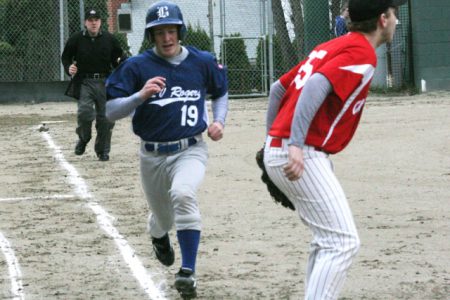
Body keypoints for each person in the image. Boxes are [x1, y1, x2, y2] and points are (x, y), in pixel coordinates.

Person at [263, 0, 407, 299]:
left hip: (286, 149)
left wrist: (271, 143)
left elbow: (278, 88)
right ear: (382, 19)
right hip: (302, 152)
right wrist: (296, 145)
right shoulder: (361, 52)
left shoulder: (333, 45)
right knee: (343, 242)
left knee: (326, 239)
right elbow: (316, 85)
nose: (397, 21)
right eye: (394, 14)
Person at [105, 1, 228, 298]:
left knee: (184, 194)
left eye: (171, 30)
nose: (167, 38)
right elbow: (110, 111)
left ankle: (188, 272)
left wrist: (219, 120)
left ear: (180, 31)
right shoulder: (137, 67)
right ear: (152, 36)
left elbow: (221, 91)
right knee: (164, 218)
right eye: (159, 32)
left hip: (190, 149)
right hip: (152, 155)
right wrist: (140, 95)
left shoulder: (201, 61)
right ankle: (158, 232)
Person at [61, 8, 124, 161]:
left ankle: (102, 150)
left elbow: (120, 57)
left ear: (100, 22)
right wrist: (69, 67)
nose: (93, 23)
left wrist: (121, 62)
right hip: (85, 82)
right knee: (84, 113)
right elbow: (66, 57)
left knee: (106, 119)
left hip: (105, 82)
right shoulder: (77, 38)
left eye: (96, 20)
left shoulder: (109, 39)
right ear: (86, 23)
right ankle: (83, 138)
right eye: (90, 20)